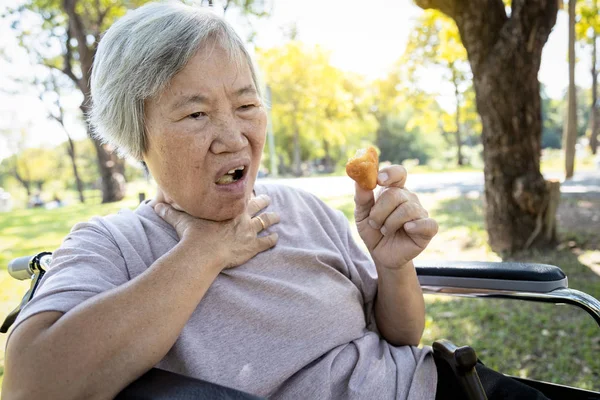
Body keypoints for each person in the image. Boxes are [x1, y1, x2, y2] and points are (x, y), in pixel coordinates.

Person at [2, 3, 548, 400]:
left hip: (444, 387)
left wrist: (392, 265)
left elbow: (403, 335)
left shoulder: (304, 207)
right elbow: (32, 385)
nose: (234, 136)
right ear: (134, 133)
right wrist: (204, 252)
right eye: (196, 115)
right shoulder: (113, 243)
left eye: (246, 105)